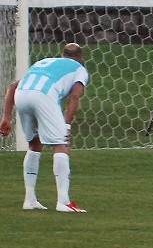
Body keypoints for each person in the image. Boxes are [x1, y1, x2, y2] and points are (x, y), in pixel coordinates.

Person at [0, 43, 89, 213]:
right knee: (60, 144)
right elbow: (75, 95)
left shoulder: (44, 62)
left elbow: (12, 87)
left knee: (35, 144)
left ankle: (30, 199)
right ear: (81, 58)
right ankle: (64, 201)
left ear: (62, 55)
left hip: (22, 95)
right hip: (43, 96)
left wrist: (6, 117)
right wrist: (66, 126)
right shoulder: (79, 69)